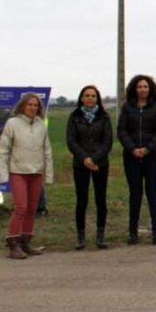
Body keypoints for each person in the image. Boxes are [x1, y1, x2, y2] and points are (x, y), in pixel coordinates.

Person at [0, 93, 54, 259]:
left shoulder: (41, 125)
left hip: (36, 172)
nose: (33, 108)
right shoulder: (12, 123)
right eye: (30, 104)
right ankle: (13, 244)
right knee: (21, 207)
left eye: (36, 105)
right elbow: (3, 150)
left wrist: (48, 174)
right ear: (23, 106)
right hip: (18, 171)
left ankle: (26, 241)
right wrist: (3, 174)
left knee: (31, 208)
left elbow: (47, 150)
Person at [117, 74, 156, 245]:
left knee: (153, 193)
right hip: (131, 158)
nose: (143, 89)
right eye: (140, 86)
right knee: (135, 194)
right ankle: (133, 232)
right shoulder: (126, 108)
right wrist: (132, 149)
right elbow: (121, 130)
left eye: (146, 86)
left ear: (150, 88)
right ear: (134, 89)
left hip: (153, 157)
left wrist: (148, 149)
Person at [66, 85, 113, 250]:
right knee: (82, 200)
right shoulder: (74, 117)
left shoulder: (104, 117)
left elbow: (108, 141)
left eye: (93, 96)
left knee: (101, 200)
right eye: (87, 95)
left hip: (100, 164)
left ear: (97, 98)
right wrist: (85, 158)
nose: (90, 98)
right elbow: (71, 141)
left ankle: (100, 237)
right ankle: (81, 237)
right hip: (80, 164)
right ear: (81, 98)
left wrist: (94, 159)